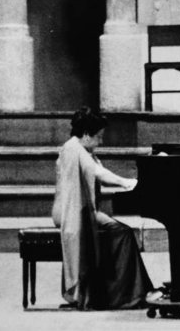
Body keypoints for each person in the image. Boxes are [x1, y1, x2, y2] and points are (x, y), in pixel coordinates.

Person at [52, 106, 153, 310]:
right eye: (98, 136)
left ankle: (121, 291)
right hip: (71, 213)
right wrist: (128, 183)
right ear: (87, 134)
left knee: (120, 231)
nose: (102, 141)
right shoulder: (73, 150)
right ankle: (126, 293)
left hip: (80, 210)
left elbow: (99, 172)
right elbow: (98, 173)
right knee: (123, 233)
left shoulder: (80, 148)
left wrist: (127, 182)